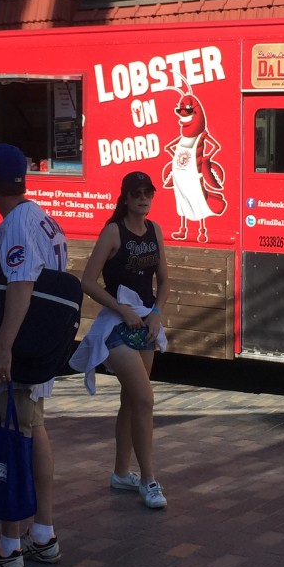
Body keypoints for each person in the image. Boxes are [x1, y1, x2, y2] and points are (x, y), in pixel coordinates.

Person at [0, 144, 67, 567]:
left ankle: (10, 548)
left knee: (10, 439)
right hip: (41, 348)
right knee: (33, 431)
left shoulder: (17, 226)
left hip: (21, 353)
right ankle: (41, 534)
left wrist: (3, 348)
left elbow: (21, 286)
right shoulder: (39, 215)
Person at [70, 170, 169, 510]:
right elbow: (87, 281)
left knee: (131, 401)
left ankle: (120, 473)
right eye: (137, 193)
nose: (144, 198)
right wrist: (122, 309)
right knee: (145, 400)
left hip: (146, 326)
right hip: (117, 326)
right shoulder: (113, 232)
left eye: (149, 193)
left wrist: (156, 312)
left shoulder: (154, 231)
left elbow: (165, 282)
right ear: (125, 198)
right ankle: (148, 479)